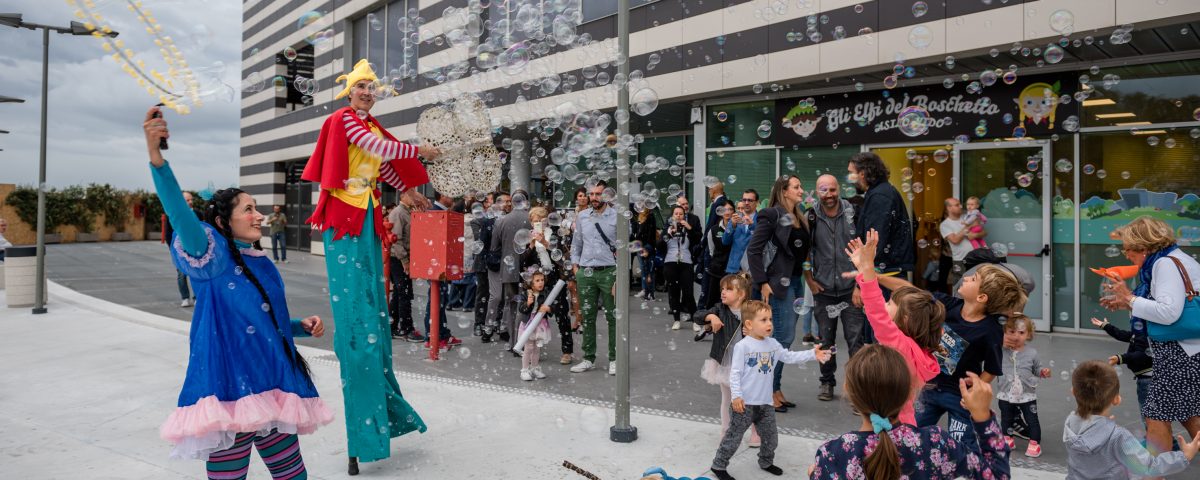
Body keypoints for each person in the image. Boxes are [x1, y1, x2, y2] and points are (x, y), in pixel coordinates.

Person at [143, 107, 334, 475]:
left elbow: (259, 318)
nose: (258, 215)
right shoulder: (209, 257)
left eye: (257, 207)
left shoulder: (259, 261)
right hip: (228, 392)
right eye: (248, 209)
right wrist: (156, 158)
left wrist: (298, 325)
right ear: (222, 222)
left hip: (271, 384)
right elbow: (180, 213)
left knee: (294, 475)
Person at [299, 59, 432, 474]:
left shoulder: (370, 126)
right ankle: (365, 427)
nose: (368, 93)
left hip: (369, 217)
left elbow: (386, 167)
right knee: (357, 323)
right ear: (348, 91)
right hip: (344, 216)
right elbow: (382, 151)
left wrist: (408, 190)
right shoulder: (344, 121)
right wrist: (419, 151)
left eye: (372, 88)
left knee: (374, 317)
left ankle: (382, 415)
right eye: (361, 87)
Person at [876, 262, 1026, 453]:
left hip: (958, 396)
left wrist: (973, 393)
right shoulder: (948, 305)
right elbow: (911, 292)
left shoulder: (990, 330)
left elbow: (992, 368)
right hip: (929, 388)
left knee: (961, 445)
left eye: (974, 279)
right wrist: (877, 278)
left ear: (981, 297)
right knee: (909, 434)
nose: (965, 277)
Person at [809, 345, 1011, 480]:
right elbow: (997, 474)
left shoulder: (833, 453)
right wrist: (982, 416)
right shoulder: (935, 443)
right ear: (909, 393)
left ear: (849, 391)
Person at [1099, 216, 1200, 455]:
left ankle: (1154, 472)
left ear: (1143, 246)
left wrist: (1130, 298)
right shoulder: (1175, 258)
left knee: (1156, 415)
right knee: (1185, 414)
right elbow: (1172, 306)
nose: (1126, 255)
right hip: (1184, 351)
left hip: (1180, 352)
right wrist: (1128, 304)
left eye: (1128, 249)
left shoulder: (1164, 264)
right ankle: (1156, 470)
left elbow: (1168, 313)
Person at [709, 300, 830, 480]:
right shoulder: (743, 346)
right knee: (733, 437)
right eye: (764, 320)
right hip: (744, 404)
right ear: (749, 324)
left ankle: (765, 461)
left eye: (770, 319)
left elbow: (788, 357)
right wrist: (736, 397)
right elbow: (735, 374)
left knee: (771, 438)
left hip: (765, 403)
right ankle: (719, 465)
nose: (769, 324)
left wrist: (812, 354)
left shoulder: (772, 344)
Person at [845, 230, 944, 425]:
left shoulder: (899, 345)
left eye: (890, 303)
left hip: (887, 424)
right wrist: (865, 269)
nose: (885, 304)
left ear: (905, 320)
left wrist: (867, 267)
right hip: (906, 423)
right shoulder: (918, 351)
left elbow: (875, 309)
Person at [1063, 360, 1200, 479]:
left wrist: (1100, 425)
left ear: (1073, 391)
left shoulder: (1070, 423)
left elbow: (1091, 434)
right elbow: (1149, 466)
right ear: (1117, 399)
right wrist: (1184, 457)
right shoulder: (1118, 437)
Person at [746, 174, 811, 413]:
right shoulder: (771, 214)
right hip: (776, 284)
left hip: (794, 282)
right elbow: (753, 250)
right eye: (796, 187)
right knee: (780, 339)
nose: (801, 190)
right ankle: (768, 391)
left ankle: (775, 389)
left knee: (785, 338)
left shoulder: (799, 216)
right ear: (784, 191)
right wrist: (762, 282)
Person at [805, 174, 869, 401]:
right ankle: (827, 382)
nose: (829, 195)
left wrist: (860, 286)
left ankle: (857, 390)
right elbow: (804, 252)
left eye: (832, 190)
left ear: (838, 188)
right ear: (817, 191)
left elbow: (864, 252)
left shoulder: (854, 213)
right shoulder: (810, 216)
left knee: (856, 344)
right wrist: (809, 280)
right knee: (825, 341)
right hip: (823, 291)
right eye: (824, 190)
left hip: (851, 290)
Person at [695, 273, 761, 447]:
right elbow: (698, 314)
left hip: (749, 364)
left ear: (742, 294)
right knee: (728, 400)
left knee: (752, 401)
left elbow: (768, 330)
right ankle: (725, 431)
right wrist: (711, 317)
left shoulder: (753, 310)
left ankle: (756, 432)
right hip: (726, 363)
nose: (723, 292)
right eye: (722, 289)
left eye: (729, 289)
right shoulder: (719, 309)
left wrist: (755, 333)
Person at [570, 181, 619, 375]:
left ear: (606, 195)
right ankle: (588, 358)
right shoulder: (582, 216)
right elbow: (577, 243)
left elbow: (624, 248)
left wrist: (620, 275)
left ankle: (615, 358)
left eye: (598, 194)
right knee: (587, 317)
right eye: (591, 194)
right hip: (586, 271)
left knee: (613, 316)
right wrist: (576, 267)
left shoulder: (617, 217)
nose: (594, 197)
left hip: (609, 271)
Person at [521, 205, 574, 365]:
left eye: (541, 221)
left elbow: (560, 259)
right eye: (534, 221)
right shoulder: (528, 238)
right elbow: (523, 261)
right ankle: (533, 349)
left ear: (546, 222)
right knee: (535, 315)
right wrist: (530, 246)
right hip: (537, 280)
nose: (538, 224)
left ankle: (567, 351)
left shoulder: (554, 236)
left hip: (554, 280)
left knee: (561, 315)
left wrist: (544, 242)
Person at [995, 313, 1051, 458]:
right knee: (1006, 418)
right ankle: (1007, 439)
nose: (1016, 336)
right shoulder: (1001, 350)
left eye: (1021, 332)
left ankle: (1034, 443)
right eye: (1011, 332)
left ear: (1028, 334)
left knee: (1031, 419)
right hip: (1006, 393)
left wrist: (1042, 372)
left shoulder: (1032, 353)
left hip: (1027, 394)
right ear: (1005, 333)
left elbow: (1037, 369)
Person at [488, 190, 532, 351]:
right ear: (526, 202)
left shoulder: (502, 221)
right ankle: (524, 342)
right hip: (530, 269)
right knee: (527, 305)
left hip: (508, 270)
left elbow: (494, 248)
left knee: (513, 306)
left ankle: (513, 343)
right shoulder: (532, 218)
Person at [418, 192, 462, 350]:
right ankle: (433, 336)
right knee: (436, 300)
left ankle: (441, 334)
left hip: (439, 263)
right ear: (442, 196)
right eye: (450, 194)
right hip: (437, 264)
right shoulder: (436, 212)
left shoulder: (439, 211)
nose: (453, 198)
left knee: (439, 300)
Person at [387, 190, 425, 342]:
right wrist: (405, 261)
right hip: (398, 259)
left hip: (403, 257)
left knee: (399, 292)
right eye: (411, 195)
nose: (414, 198)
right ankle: (405, 328)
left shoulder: (408, 211)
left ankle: (393, 326)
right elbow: (396, 240)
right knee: (404, 293)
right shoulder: (398, 212)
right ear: (403, 196)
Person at [660, 204, 700, 331]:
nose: (678, 216)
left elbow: (698, 240)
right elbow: (659, 245)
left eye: (681, 214)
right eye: (676, 213)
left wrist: (689, 228)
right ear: (672, 216)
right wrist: (668, 233)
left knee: (688, 292)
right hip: (670, 263)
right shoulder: (667, 228)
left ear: (684, 216)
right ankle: (676, 319)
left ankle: (695, 319)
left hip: (686, 262)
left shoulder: (688, 229)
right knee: (673, 292)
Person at [481, 192, 513, 343]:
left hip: (511, 263)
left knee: (508, 297)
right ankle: (488, 327)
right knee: (496, 296)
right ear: (497, 203)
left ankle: (504, 328)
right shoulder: (489, 221)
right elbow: (483, 243)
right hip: (494, 263)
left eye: (510, 201)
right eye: (504, 201)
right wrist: (487, 258)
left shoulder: (513, 220)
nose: (507, 204)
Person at [162, 191, 203, 308]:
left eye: (191, 199)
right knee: (181, 274)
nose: (190, 202)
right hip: (180, 250)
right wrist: (173, 250)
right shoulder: (173, 215)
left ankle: (197, 297)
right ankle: (185, 297)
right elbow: (168, 234)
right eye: (187, 200)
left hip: (196, 249)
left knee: (197, 274)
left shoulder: (198, 214)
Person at [470, 193, 499, 337]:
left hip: (497, 262)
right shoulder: (477, 221)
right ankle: (479, 323)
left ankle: (495, 322)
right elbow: (479, 240)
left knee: (496, 295)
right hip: (482, 262)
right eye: (489, 201)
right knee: (482, 293)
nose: (491, 204)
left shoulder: (500, 219)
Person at [516, 269, 554, 381]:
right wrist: (528, 303)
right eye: (537, 280)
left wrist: (549, 308)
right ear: (530, 283)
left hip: (540, 324)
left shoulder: (545, 293)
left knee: (537, 347)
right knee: (528, 347)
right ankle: (524, 369)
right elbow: (521, 309)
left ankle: (535, 368)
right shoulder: (525, 294)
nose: (541, 282)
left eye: (542, 280)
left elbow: (554, 307)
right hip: (529, 323)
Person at [940, 197, 983, 288]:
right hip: (960, 260)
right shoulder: (945, 225)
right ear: (949, 208)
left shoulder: (967, 217)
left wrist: (975, 235)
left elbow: (983, 232)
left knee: (977, 286)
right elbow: (955, 240)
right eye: (956, 205)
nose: (960, 206)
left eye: (959, 204)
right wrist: (968, 227)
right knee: (960, 287)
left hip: (976, 258)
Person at [701, 204, 735, 314]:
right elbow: (711, 250)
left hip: (732, 270)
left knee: (730, 300)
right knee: (713, 299)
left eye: (730, 209)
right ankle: (710, 325)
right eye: (724, 209)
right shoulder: (714, 229)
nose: (727, 212)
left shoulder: (738, 228)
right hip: (716, 270)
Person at [723, 189, 759, 277]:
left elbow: (761, 242)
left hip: (752, 269)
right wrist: (732, 226)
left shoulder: (761, 219)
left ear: (757, 202)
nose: (746, 203)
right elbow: (725, 241)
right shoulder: (735, 218)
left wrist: (752, 225)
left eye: (750, 200)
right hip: (734, 268)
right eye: (744, 200)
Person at [633, 207, 660, 301]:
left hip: (647, 246)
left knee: (649, 270)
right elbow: (637, 232)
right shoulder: (639, 217)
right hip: (640, 246)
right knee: (644, 269)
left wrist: (646, 247)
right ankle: (645, 290)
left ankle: (650, 293)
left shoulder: (650, 216)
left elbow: (650, 234)